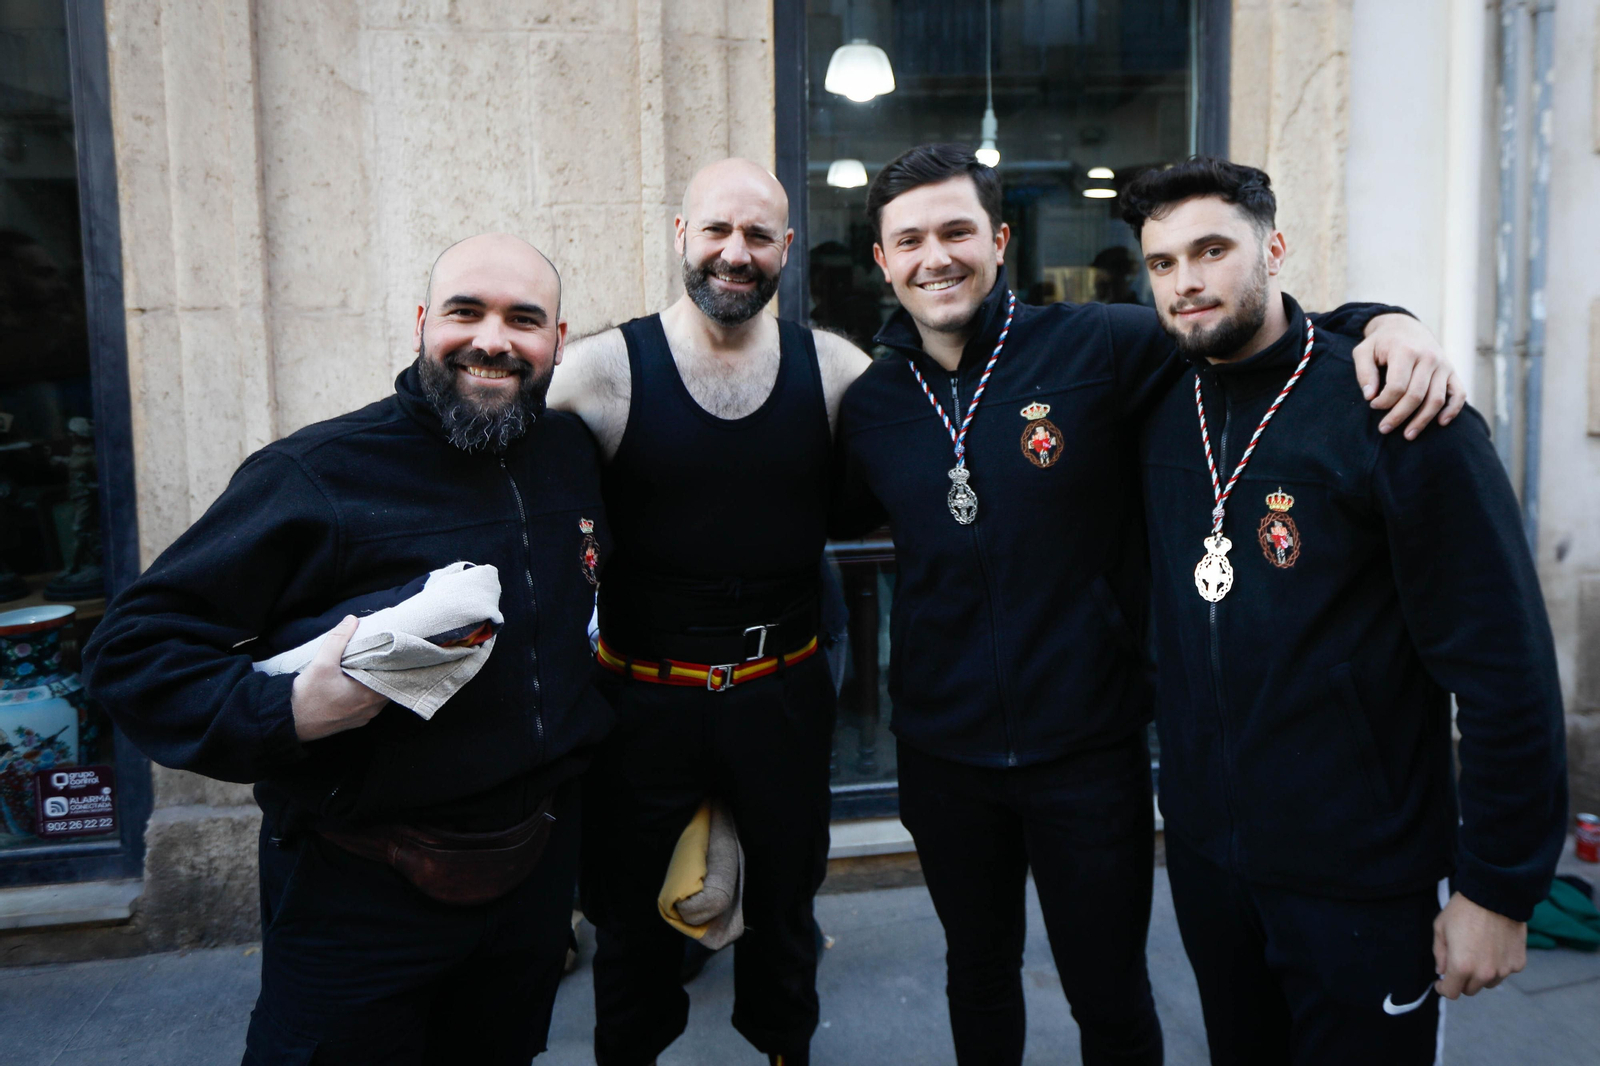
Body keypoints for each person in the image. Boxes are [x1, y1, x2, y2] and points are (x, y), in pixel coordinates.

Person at [831, 143, 1464, 1066]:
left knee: (1111, 994)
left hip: (1088, 753)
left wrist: (1383, 322)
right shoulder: (873, 402)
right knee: (976, 973)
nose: (938, 256)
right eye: (910, 240)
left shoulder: (1102, 345)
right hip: (941, 754)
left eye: (958, 230)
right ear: (883, 261)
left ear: (998, 240)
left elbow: (1251, 331)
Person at [83, 233, 612, 1065]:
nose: (493, 339)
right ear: (419, 324)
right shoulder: (318, 472)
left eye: (525, 319)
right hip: (359, 891)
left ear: (559, 340)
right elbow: (134, 651)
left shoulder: (574, 457)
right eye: (464, 312)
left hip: (531, 882)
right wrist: (291, 709)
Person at [1120, 157, 1568, 1064]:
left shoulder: (1396, 410)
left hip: (1362, 873)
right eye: (1163, 263)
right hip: (1211, 860)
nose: (1188, 281)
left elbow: (1503, 664)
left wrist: (1500, 890)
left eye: (1213, 250)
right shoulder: (1159, 399)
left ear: (1275, 248)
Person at [546, 158, 869, 1066]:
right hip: (640, 700)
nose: (736, 252)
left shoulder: (837, 370)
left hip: (784, 691)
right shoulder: (600, 372)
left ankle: (783, 1051)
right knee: (630, 926)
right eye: (717, 231)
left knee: (786, 912)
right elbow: (489, 464)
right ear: (680, 233)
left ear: (785, 250)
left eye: (758, 235)